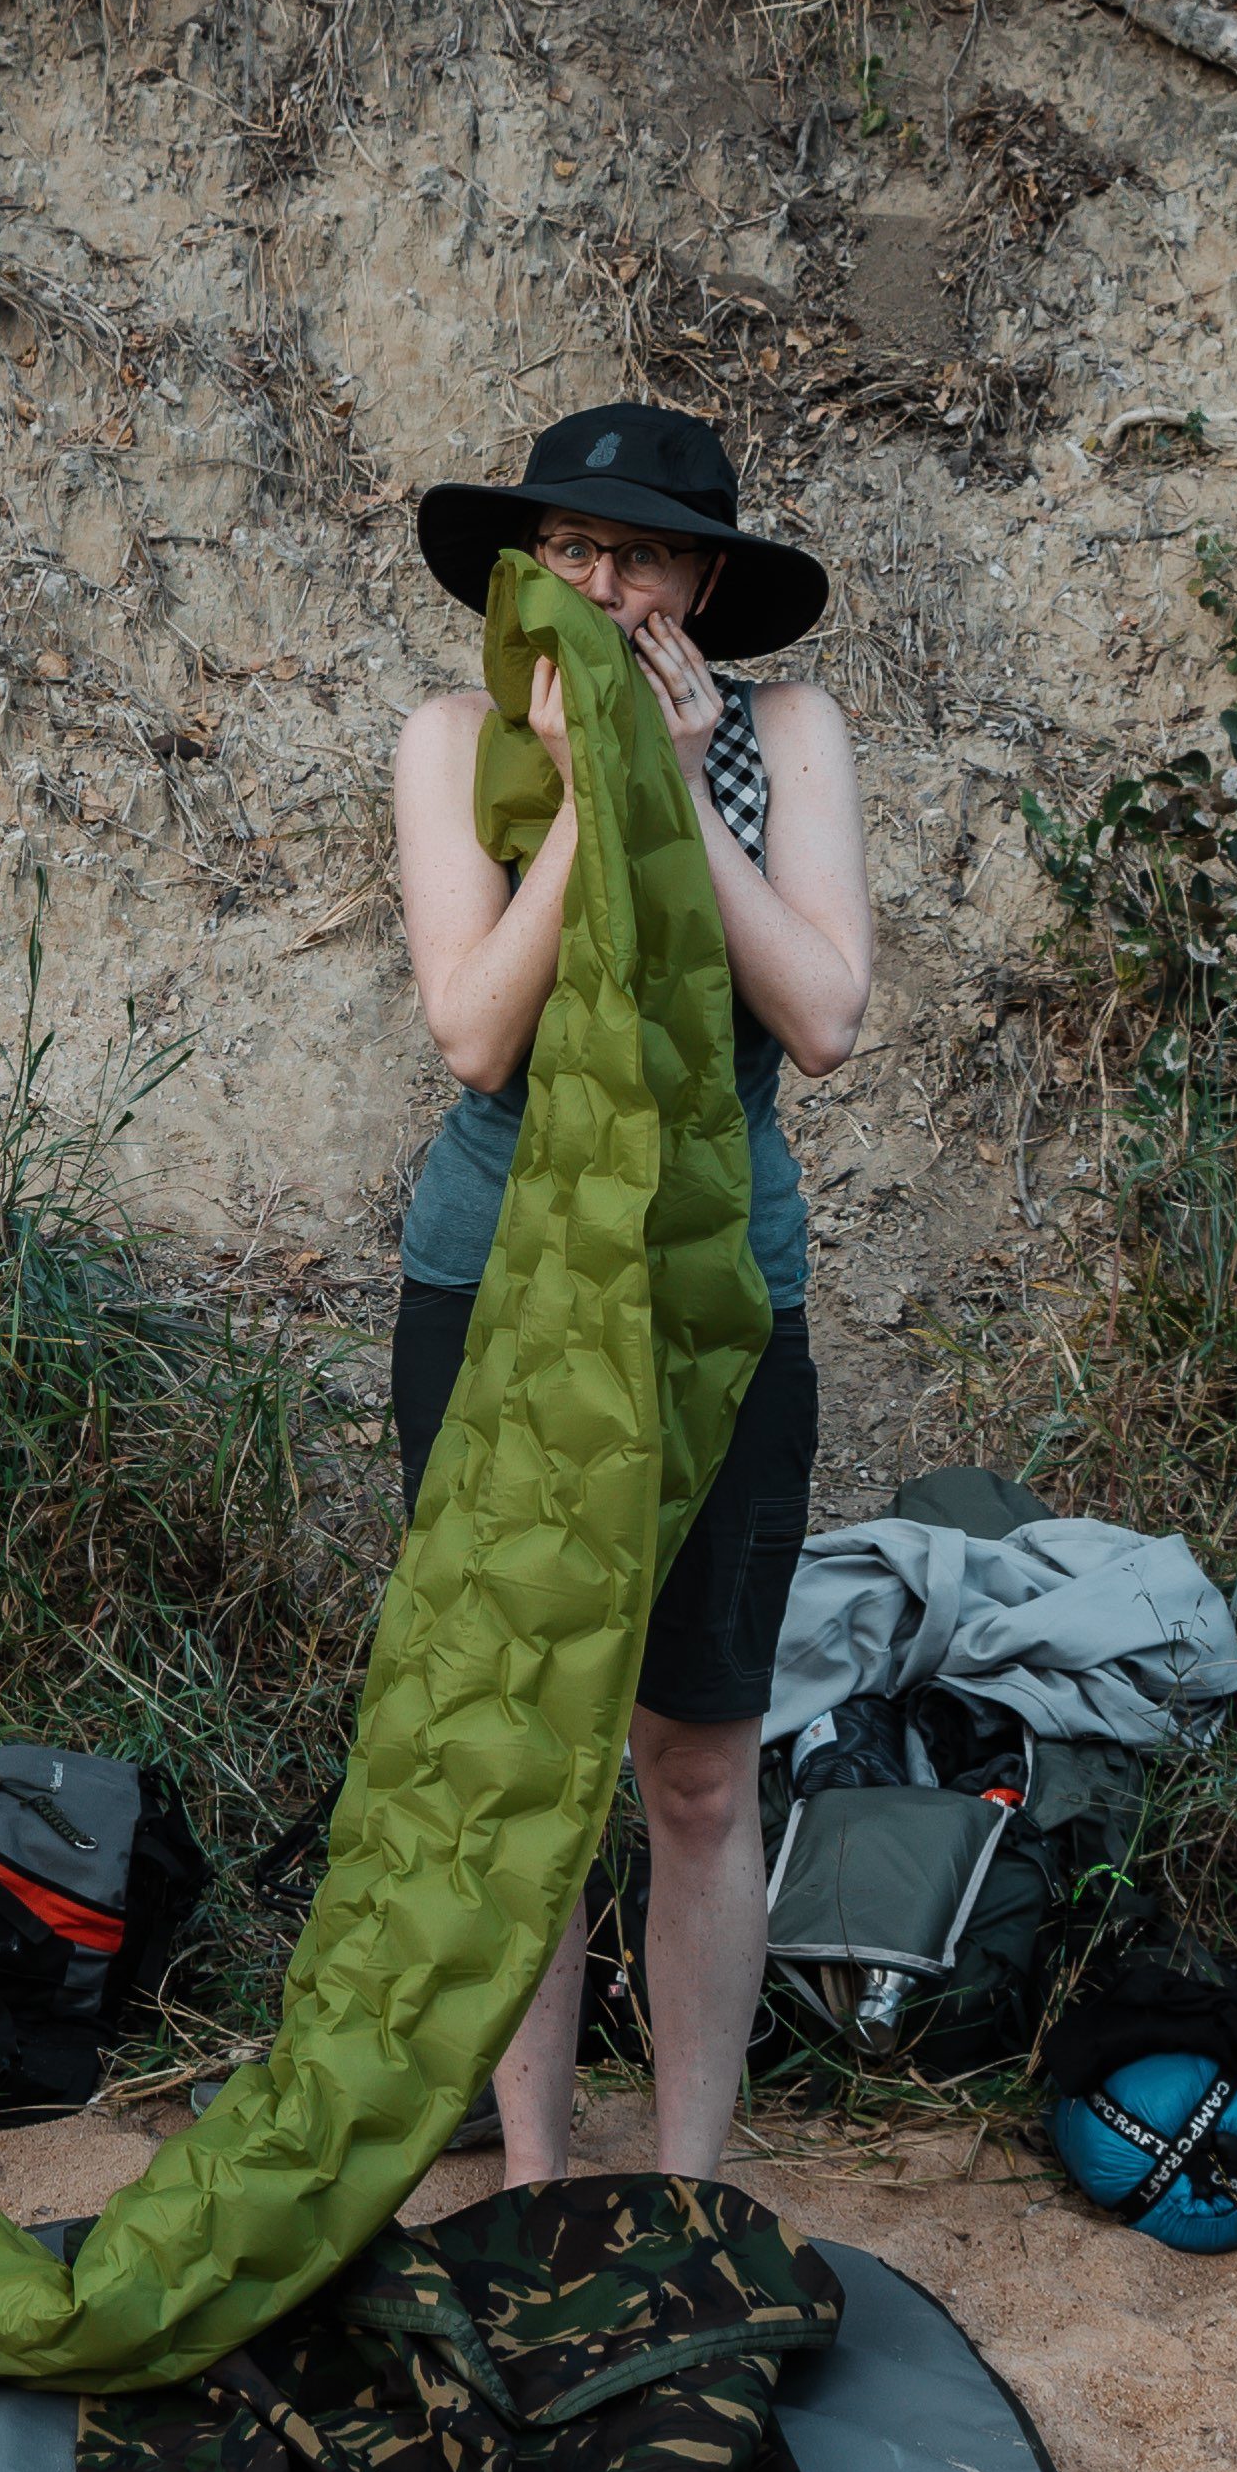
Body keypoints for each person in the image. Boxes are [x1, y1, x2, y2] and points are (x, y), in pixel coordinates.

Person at [386, 404, 871, 2186]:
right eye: (569, 553)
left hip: (721, 1285)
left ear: (706, 583)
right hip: (498, 1274)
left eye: (641, 556)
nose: (600, 588)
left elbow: (821, 1018)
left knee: (696, 1764)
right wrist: (590, 806)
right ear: (521, 570)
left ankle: (682, 2186)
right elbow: (476, 1029)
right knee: (520, 1751)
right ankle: (531, 2176)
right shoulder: (454, 738)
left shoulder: (787, 732)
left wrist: (666, 789)